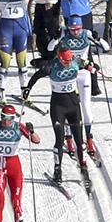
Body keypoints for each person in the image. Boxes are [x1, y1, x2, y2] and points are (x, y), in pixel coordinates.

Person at [23, 47, 88, 186]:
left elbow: (88, 64)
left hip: (74, 106)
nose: (68, 63)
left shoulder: (76, 62)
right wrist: (27, 89)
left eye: (69, 60)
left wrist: (92, 66)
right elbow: (35, 76)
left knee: (79, 140)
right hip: (58, 107)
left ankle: (83, 166)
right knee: (59, 140)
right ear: (59, 58)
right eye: (65, 61)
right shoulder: (50, 67)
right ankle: (57, 170)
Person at [48, 15, 106, 160]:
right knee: (68, 105)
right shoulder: (64, 33)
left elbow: (107, 47)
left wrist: (98, 39)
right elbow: (50, 48)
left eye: (78, 29)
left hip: (83, 73)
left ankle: (89, 138)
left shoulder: (86, 34)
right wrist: (55, 38)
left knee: (86, 106)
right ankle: (68, 136)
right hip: (68, 75)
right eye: (72, 29)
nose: (75, 32)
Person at [0, 0, 33, 102]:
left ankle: (24, 92)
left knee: (22, 62)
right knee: (5, 62)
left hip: (20, 30)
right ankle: (1, 93)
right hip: (5, 31)